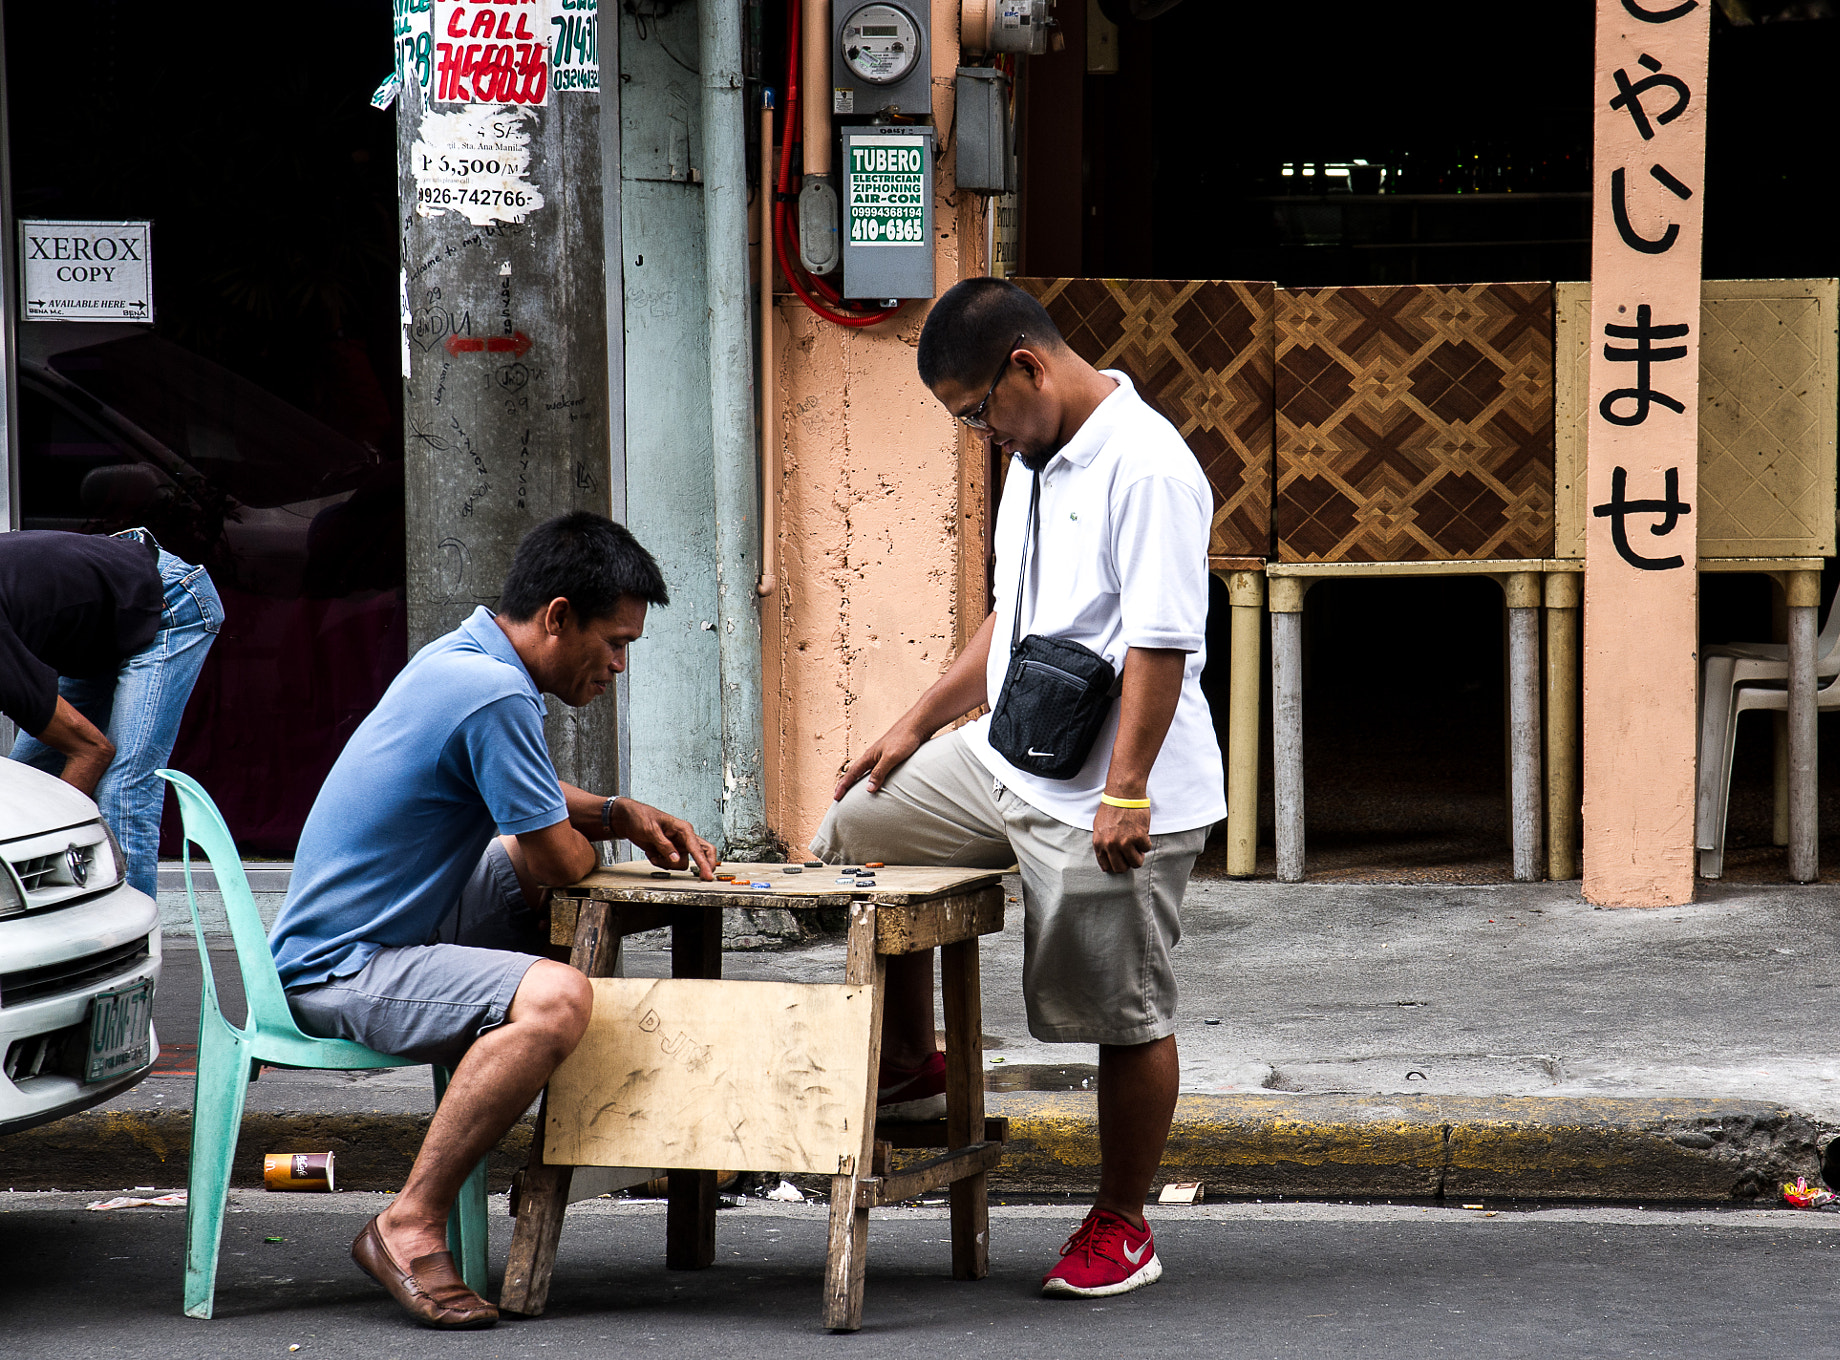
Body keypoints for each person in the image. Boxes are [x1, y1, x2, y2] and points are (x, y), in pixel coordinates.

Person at [813, 277, 1224, 1300]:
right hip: (1009, 757)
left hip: (1109, 787)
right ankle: (912, 1057)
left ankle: (1122, 1222)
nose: (979, 435)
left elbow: (1162, 643)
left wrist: (1123, 790)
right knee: (859, 823)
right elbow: (1012, 615)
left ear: (1026, 369)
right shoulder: (1036, 460)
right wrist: (912, 723)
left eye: (974, 412)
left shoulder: (1148, 467)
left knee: (1118, 1007)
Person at [267, 511, 720, 1329]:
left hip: (380, 924)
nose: (618, 665)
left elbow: (529, 806)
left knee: (516, 874)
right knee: (559, 999)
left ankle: (525, 1083)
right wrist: (594, 841)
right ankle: (409, 1220)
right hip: (343, 963)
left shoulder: (464, 654)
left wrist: (618, 814)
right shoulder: (494, 693)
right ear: (556, 617)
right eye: (614, 643)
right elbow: (557, 857)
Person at [1, 527, 222, 899]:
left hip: (168, 602)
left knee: (125, 789)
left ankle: (126, 936)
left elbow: (92, 750)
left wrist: (44, 847)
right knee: (26, 779)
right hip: (98, 625)